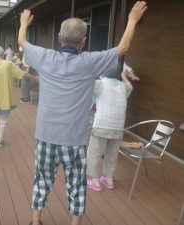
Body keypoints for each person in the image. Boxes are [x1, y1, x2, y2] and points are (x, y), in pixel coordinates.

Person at [18, 2, 147, 225]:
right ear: (84, 42)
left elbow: (22, 42)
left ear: (59, 38)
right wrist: (132, 20)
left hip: (46, 137)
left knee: (42, 180)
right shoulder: (90, 62)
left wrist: (23, 23)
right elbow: (122, 48)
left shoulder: (45, 57)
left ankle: (35, 221)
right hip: (75, 141)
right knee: (77, 184)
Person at [86, 69, 134, 192]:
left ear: (103, 74)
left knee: (95, 153)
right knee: (112, 155)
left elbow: (86, 83)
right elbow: (130, 87)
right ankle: (109, 179)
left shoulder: (100, 83)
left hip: (102, 125)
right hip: (118, 128)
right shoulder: (123, 87)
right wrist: (124, 77)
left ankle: (95, 180)